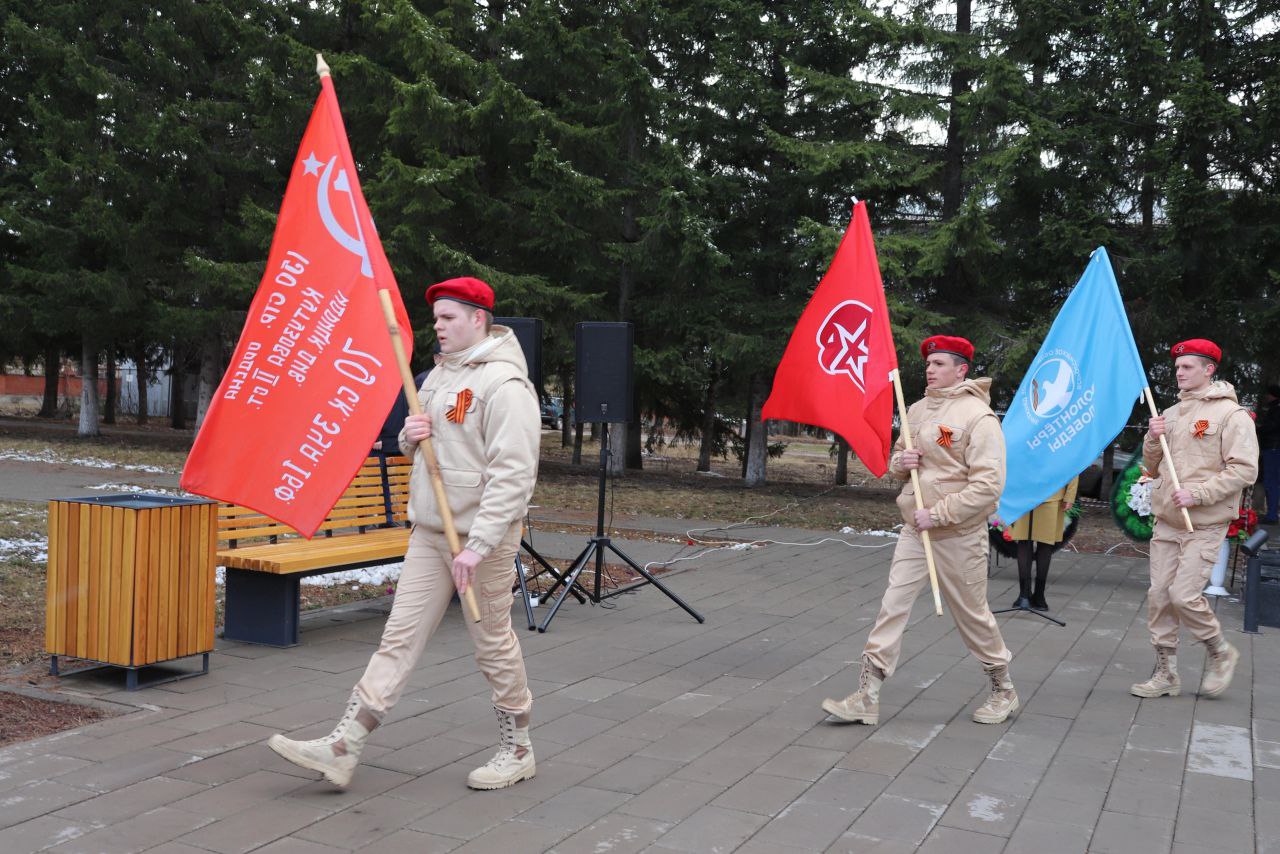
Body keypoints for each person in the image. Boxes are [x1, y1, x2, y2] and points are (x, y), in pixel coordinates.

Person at [268, 276, 542, 790]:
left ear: (477, 318)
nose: (437, 327)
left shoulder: (505, 386)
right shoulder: (436, 378)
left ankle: (517, 748)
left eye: (448, 318)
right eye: (435, 318)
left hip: (480, 543)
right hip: (430, 533)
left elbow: (514, 476)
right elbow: (424, 452)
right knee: (397, 640)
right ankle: (344, 746)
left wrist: (479, 546)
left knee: (492, 644)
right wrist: (409, 437)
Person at [821, 336, 1018, 726]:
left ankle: (1003, 689)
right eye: (929, 363)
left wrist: (940, 514)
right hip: (915, 531)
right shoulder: (917, 409)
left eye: (941, 363)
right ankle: (867, 695)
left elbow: (988, 486)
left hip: (958, 534)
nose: (930, 369)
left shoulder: (978, 417)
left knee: (973, 616)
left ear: (962, 370)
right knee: (892, 607)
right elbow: (901, 457)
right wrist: (901, 460)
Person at [1132, 338, 1257, 700]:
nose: (1179, 374)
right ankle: (1166, 672)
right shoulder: (1169, 414)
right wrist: (1153, 439)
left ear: (1209, 370)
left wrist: (1198, 494)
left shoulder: (1232, 416)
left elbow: (1244, 470)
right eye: (1177, 368)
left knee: (1184, 596)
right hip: (1168, 522)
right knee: (1159, 596)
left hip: (1204, 523)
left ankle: (1220, 651)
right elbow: (1152, 467)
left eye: (1187, 367)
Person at [1008, 475, 1079, 612]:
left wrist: (1070, 495)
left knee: (1045, 544)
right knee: (1024, 542)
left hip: (1051, 494)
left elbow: (1072, 462)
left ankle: (1039, 596)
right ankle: (1024, 594)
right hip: (1025, 494)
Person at [1258, 384, 1280, 523]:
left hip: (1273, 448)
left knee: (1271, 482)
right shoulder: (1274, 409)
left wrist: (1257, 428)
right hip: (1274, 448)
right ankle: (1271, 513)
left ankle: (1272, 515)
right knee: (1273, 482)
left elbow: (1271, 428)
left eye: (1269, 394)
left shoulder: (1276, 410)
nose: (1267, 397)